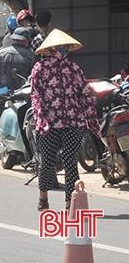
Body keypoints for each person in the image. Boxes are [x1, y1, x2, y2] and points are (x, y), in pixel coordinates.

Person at [31, 30, 98, 210]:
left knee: (71, 162)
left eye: (65, 47)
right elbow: (36, 95)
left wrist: (91, 116)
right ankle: (43, 196)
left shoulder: (73, 69)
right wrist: (40, 118)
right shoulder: (40, 68)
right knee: (47, 162)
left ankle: (70, 203)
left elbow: (84, 93)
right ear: (51, 48)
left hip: (73, 122)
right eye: (59, 47)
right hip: (50, 123)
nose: (62, 50)